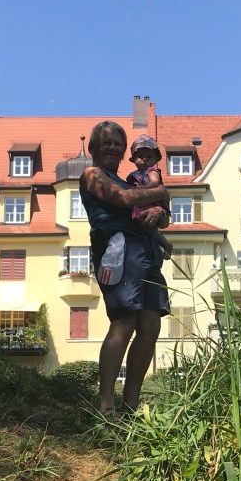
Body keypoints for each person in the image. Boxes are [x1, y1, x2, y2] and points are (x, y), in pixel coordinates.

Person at [79, 121, 171, 416]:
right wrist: (160, 193)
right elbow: (122, 200)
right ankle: (106, 406)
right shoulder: (92, 175)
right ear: (94, 147)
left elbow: (159, 217)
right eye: (106, 142)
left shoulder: (131, 182)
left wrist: (158, 211)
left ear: (123, 152)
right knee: (124, 322)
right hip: (117, 252)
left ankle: (130, 408)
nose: (112, 147)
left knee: (150, 327)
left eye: (117, 143)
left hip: (147, 253)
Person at [126, 134, 174, 262]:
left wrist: (141, 188)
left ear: (156, 159)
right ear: (133, 159)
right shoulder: (134, 174)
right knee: (149, 230)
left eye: (149, 157)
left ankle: (166, 245)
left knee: (151, 228)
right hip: (142, 204)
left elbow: (155, 183)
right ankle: (165, 245)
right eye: (140, 156)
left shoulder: (152, 171)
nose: (144, 159)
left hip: (154, 202)